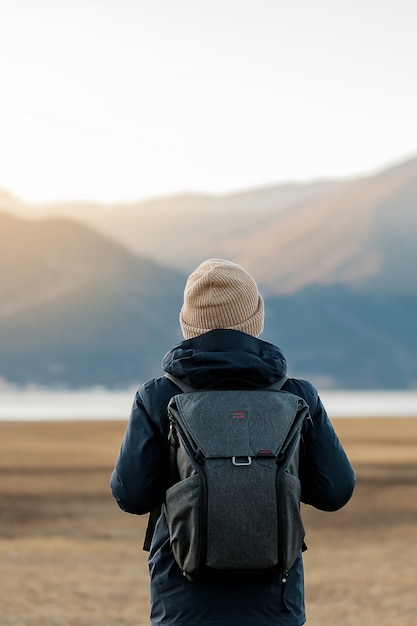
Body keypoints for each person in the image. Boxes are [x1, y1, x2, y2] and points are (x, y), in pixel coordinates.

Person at [110, 258, 355, 625]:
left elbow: (131, 496)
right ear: (255, 320)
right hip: (275, 602)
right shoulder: (297, 395)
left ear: (188, 323)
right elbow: (335, 491)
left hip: (183, 601)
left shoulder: (157, 396)